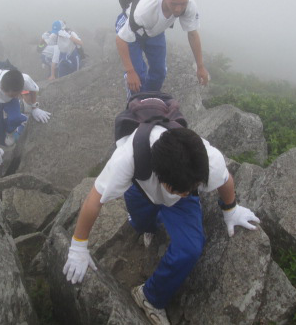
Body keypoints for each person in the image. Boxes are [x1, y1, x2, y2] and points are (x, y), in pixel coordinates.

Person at [62, 125, 259, 324]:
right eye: (176, 190)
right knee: (141, 223)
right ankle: (148, 226)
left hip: (180, 194)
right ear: (160, 175)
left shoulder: (208, 162)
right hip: (141, 188)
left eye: (190, 188)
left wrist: (231, 210)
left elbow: (225, 180)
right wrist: (78, 246)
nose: (180, 193)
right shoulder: (128, 159)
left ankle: (150, 297)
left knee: (190, 248)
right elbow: (94, 200)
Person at [116, 0, 210, 96]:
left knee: (159, 72)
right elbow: (121, 40)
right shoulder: (144, 10)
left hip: (155, 31)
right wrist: (130, 71)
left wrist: (200, 66)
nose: (178, 9)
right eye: (174, 4)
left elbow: (192, 34)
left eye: (182, 4)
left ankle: (151, 99)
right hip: (133, 30)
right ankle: (136, 104)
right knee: (136, 75)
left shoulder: (190, 6)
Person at [0, 67, 51, 165]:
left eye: (17, 94)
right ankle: (1, 155)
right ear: (2, 89)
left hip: (7, 95)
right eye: (13, 95)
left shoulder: (24, 80)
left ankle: (9, 132)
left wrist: (34, 107)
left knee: (16, 118)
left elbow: (33, 89)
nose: (16, 97)